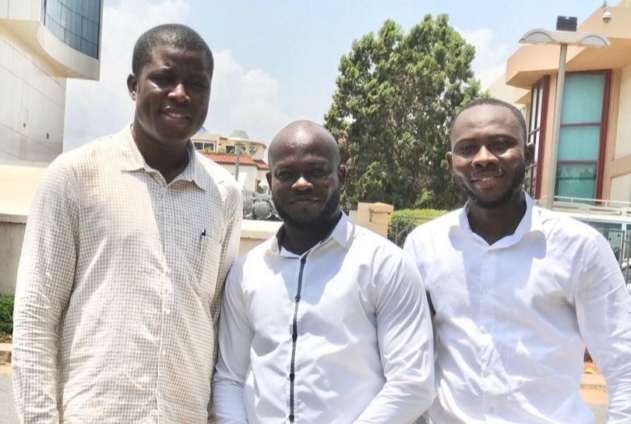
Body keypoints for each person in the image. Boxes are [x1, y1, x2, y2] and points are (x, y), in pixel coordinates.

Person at [12, 24, 242, 423]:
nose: (180, 94)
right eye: (164, 78)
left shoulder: (224, 195)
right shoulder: (75, 176)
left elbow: (219, 322)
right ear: (134, 86)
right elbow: (36, 315)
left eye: (196, 83)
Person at [404, 98, 631, 423]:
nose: (483, 158)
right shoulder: (424, 246)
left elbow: (624, 364)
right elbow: (410, 358)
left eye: (500, 144)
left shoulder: (580, 247)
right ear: (452, 161)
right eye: (468, 148)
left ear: (528, 154)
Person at [212, 120, 434, 423]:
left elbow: (411, 384)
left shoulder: (385, 264)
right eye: (286, 174)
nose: (301, 183)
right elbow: (230, 379)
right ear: (270, 180)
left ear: (341, 176)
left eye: (316, 171)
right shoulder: (246, 271)